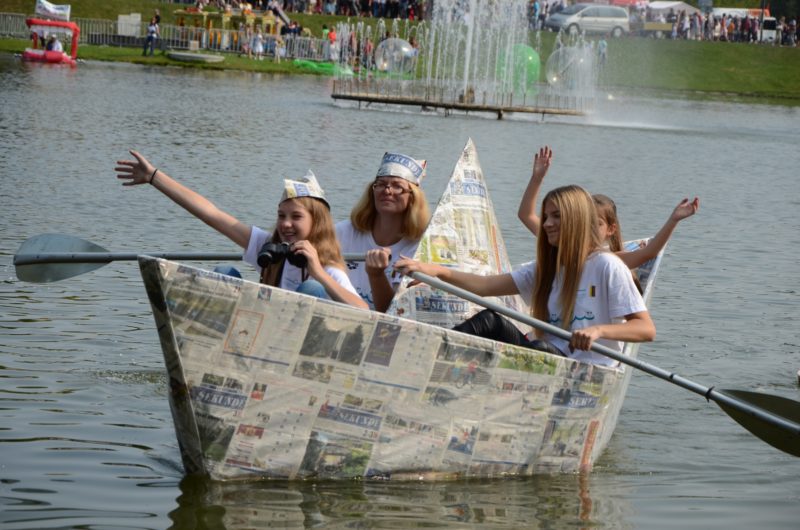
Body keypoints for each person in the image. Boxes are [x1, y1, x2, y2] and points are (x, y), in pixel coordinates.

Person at [395, 184, 656, 367]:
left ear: (577, 220)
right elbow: (485, 286)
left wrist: (598, 330)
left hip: (586, 370)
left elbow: (645, 329)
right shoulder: (546, 268)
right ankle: (426, 361)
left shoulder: (607, 266)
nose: (547, 224)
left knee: (539, 350)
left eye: (556, 216)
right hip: (548, 359)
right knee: (490, 320)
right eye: (546, 216)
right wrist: (436, 271)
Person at [114, 150, 368, 309]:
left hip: (304, 350)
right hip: (263, 334)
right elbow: (211, 214)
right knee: (224, 274)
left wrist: (318, 273)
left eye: (296, 217)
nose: (285, 224)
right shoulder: (269, 248)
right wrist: (154, 177)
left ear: (317, 223)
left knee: (311, 290)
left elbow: (364, 311)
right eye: (281, 215)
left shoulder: (328, 268)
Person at [518, 146, 699, 271]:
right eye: (585, 221)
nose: (588, 228)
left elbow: (649, 253)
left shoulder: (606, 260)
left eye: (596, 223)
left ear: (611, 229)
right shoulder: (559, 240)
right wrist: (537, 178)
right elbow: (526, 215)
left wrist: (673, 220)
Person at [336, 152, 430, 312]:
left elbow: (394, 313)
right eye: (381, 184)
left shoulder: (419, 247)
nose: (387, 191)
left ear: (413, 197)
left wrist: (376, 275)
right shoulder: (344, 232)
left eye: (397, 186)